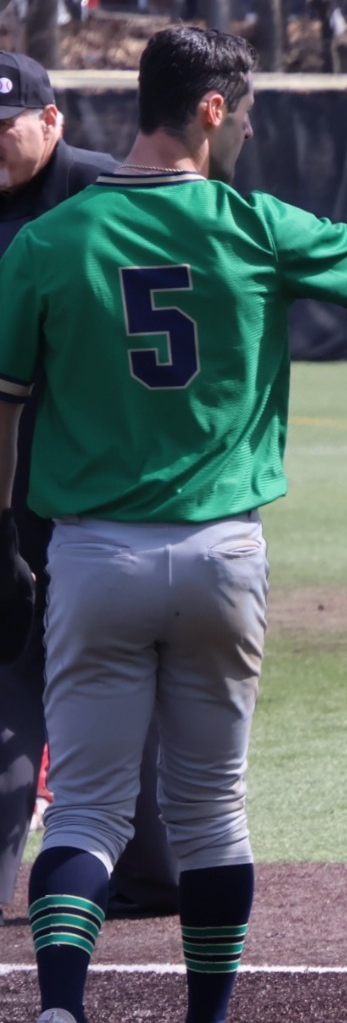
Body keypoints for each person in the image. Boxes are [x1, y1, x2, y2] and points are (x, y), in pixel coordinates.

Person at [0, 24, 347, 1023]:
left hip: (94, 551)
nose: (244, 128)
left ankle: (62, 1008)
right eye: (240, 113)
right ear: (208, 110)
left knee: (85, 810)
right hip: (220, 552)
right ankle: (206, 1017)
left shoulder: (47, 240)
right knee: (211, 813)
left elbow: (3, 407)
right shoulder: (253, 225)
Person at [0, 48, 181, 930]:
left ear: (52, 120)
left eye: (4, 127)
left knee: (116, 687)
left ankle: (157, 868)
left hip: (88, 492)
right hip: (19, 489)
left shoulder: (103, 197)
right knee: (9, 687)